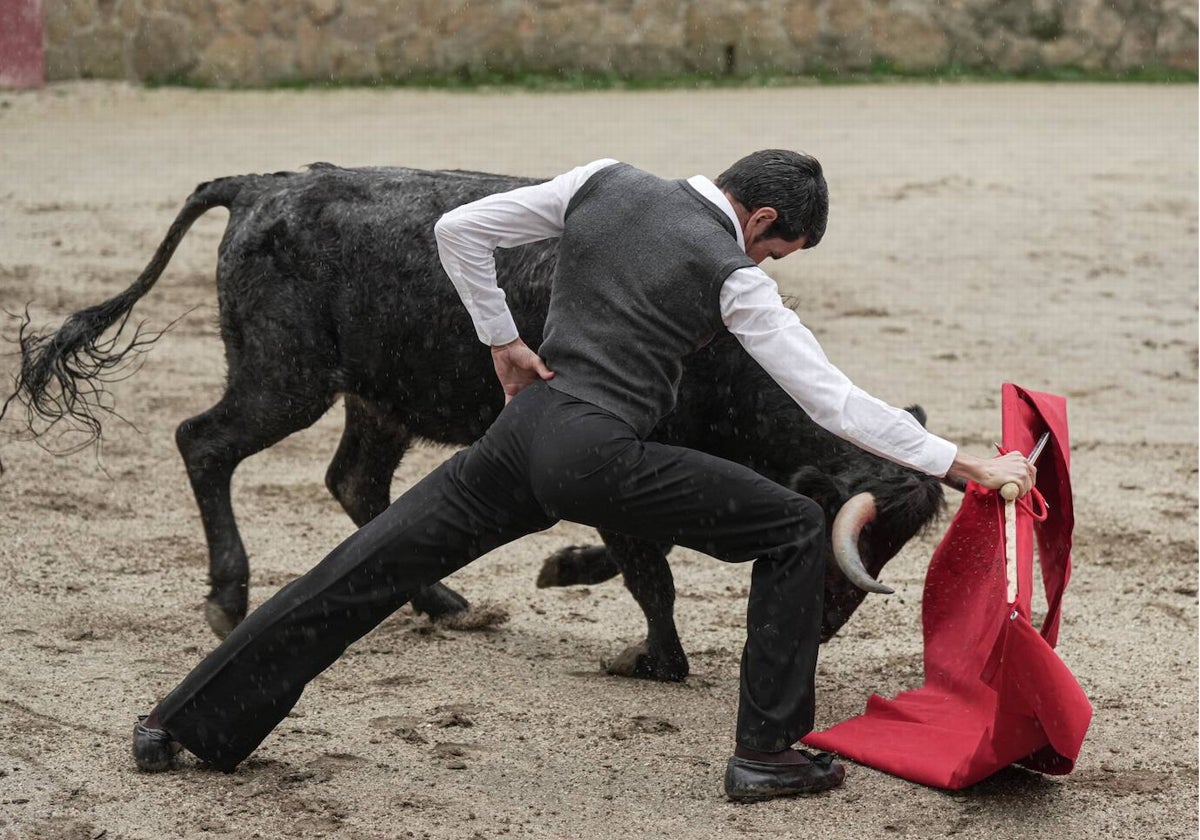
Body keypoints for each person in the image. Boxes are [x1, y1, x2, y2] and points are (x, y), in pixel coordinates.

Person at [132, 150, 1034, 802]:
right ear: (759, 222)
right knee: (793, 530)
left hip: (517, 437)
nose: (768, 265)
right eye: (777, 249)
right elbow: (833, 402)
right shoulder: (735, 276)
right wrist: (961, 463)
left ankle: (185, 721)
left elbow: (459, 229)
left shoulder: (603, 181)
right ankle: (769, 754)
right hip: (601, 455)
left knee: (367, 568)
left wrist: (504, 344)